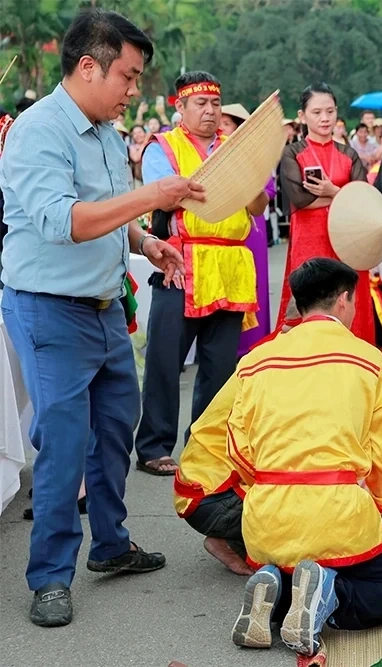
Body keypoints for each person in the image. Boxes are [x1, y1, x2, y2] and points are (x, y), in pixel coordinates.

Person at [0, 8, 205, 627]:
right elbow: (65, 221)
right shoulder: (38, 132)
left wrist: (146, 243)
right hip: (48, 308)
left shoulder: (107, 133)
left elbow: (110, 214)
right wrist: (153, 196)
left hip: (104, 305)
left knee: (118, 422)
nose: (133, 90)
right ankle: (50, 576)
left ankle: (111, 544)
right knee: (63, 442)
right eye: (128, 75)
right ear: (88, 67)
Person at [228, 258, 382, 656]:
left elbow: (235, 445)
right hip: (336, 514)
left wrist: (270, 485)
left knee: (295, 570)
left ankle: (277, 592)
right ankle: (329, 594)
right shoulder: (369, 360)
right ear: (345, 301)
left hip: (267, 517)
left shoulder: (254, 361)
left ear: (298, 305)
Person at [136, 72, 268, 476]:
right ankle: (155, 446)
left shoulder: (234, 150)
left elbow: (258, 206)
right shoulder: (164, 147)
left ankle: (206, 445)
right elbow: (165, 192)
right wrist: (220, 186)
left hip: (229, 265)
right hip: (182, 262)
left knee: (219, 364)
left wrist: (249, 187)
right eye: (200, 104)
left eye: (215, 104)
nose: (210, 111)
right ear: (181, 106)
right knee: (165, 359)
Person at [173, 301, 302, 577]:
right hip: (213, 494)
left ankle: (236, 537)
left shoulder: (274, 348)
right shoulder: (284, 360)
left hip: (202, 488)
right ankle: (237, 535)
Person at [277, 83, 369, 339]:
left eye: (330, 111)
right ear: (302, 115)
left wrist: (331, 191)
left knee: (349, 303)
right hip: (310, 239)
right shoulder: (292, 153)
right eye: (317, 112)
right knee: (308, 304)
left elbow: (365, 201)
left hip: (349, 242)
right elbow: (299, 199)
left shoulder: (349, 154)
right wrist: (342, 195)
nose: (325, 118)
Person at [220, 103, 275, 356]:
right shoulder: (210, 159)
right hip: (220, 229)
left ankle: (252, 344)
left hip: (251, 229)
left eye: (227, 124)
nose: (221, 128)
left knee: (253, 283)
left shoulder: (256, 159)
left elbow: (268, 192)